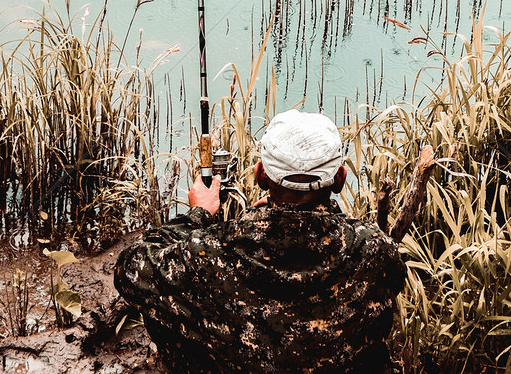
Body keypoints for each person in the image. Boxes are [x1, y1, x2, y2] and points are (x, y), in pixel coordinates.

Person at [114, 109, 406, 373]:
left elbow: (129, 268)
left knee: (165, 301)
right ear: (340, 179)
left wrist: (199, 215)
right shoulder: (376, 251)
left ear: (260, 176)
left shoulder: (212, 251)